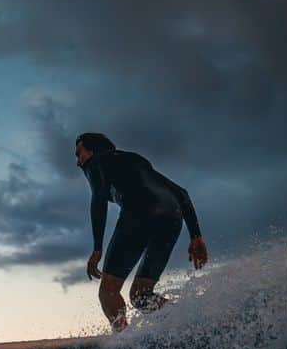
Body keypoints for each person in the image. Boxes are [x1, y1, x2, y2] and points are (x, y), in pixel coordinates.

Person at [75, 132, 208, 332]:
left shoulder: (95, 163)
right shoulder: (136, 160)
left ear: (93, 150)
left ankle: (123, 340)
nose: (78, 162)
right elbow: (182, 194)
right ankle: (193, 323)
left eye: (79, 154)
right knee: (141, 296)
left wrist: (96, 249)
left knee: (108, 292)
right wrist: (196, 236)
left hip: (138, 214)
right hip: (172, 217)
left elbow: (99, 198)